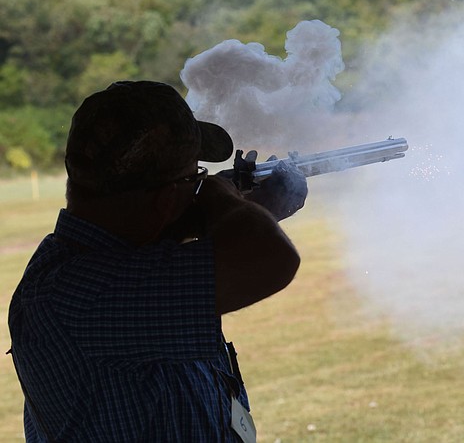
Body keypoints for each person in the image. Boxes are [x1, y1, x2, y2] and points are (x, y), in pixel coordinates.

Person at [8, 80, 308, 442]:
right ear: (166, 200)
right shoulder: (81, 294)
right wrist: (222, 199)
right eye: (194, 177)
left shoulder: (98, 268)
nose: (201, 185)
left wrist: (236, 211)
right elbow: (270, 259)